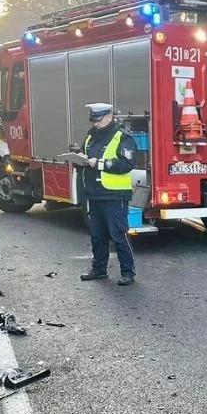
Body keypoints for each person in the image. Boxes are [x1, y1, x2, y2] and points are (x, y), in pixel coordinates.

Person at [77, 102, 138, 285]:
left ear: (110, 116)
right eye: (93, 120)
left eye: (99, 120)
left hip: (114, 195)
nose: (96, 123)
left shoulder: (122, 136)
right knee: (97, 235)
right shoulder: (91, 135)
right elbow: (84, 152)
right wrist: (79, 159)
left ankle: (128, 272)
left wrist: (101, 164)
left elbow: (127, 164)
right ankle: (99, 269)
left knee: (119, 234)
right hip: (94, 193)